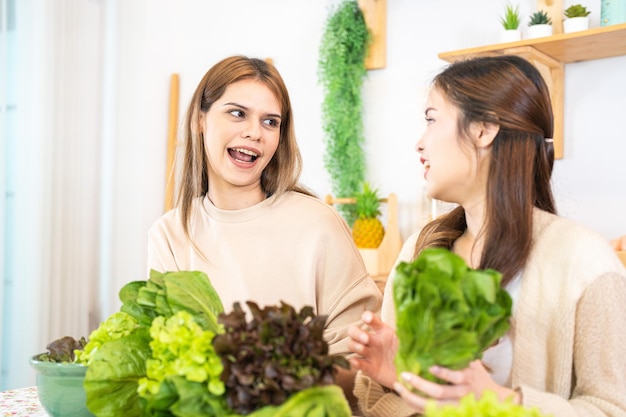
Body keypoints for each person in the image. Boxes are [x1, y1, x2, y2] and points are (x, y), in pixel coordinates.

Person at [347, 55, 626, 417]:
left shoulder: (585, 261)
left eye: (432, 120)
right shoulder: (420, 248)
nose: (420, 143)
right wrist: (397, 378)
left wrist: (498, 401)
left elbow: (613, 407)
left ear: (483, 130)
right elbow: (381, 399)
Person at [147, 55, 382, 406]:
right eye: (237, 113)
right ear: (200, 118)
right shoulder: (170, 234)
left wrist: (276, 388)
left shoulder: (318, 223)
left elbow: (361, 362)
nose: (254, 132)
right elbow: (165, 355)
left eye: (270, 122)